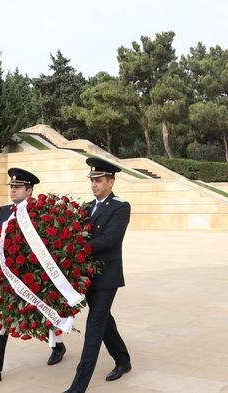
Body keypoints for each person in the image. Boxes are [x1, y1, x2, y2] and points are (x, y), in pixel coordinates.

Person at [0, 168, 67, 385]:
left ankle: (57, 345)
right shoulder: (5, 211)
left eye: (17, 187)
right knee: (0, 318)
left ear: (29, 190)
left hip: (34, 276)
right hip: (8, 276)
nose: (13, 191)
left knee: (47, 311)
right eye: (11, 187)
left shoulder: (39, 212)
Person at [64, 157, 132, 393]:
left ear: (111, 182)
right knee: (104, 321)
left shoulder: (120, 207)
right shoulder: (85, 207)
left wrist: (79, 248)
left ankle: (78, 386)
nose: (94, 185)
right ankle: (123, 359)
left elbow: (110, 239)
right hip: (87, 275)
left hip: (107, 276)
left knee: (94, 326)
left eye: (99, 180)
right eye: (92, 180)